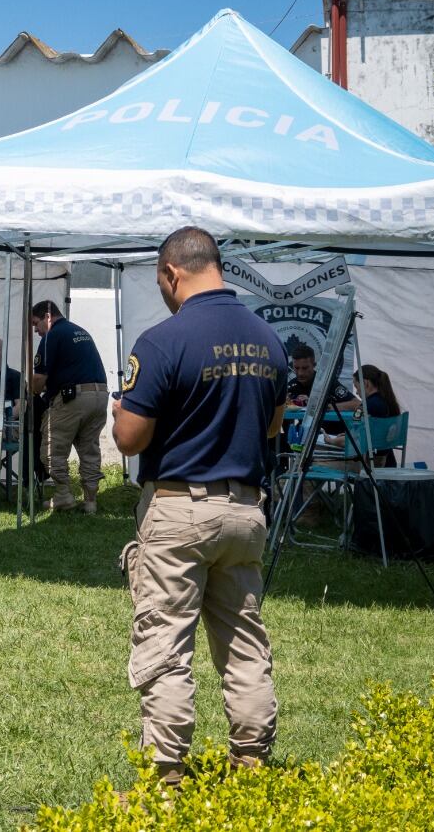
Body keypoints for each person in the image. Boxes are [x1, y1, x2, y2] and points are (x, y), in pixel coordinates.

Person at [111, 226, 288, 787]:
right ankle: (252, 764)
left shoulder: (162, 341)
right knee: (244, 642)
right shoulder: (269, 339)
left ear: (171, 273)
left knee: (165, 643)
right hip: (245, 511)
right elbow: (273, 426)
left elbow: (130, 439)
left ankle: (166, 779)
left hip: (179, 510)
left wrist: (124, 411)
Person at [30, 299, 109, 513]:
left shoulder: (51, 336)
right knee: (89, 449)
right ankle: (91, 501)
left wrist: (32, 393)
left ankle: (63, 495)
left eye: (36, 324)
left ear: (47, 317)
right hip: (100, 395)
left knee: (51, 449)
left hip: (72, 398)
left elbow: (39, 379)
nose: (36, 331)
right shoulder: (80, 331)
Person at [286, 343, 359, 433]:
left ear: (314, 365)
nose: (300, 373)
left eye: (305, 368)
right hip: (306, 435)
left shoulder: (327, 382)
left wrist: (325, 406)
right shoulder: (292, 385)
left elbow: (357, 404)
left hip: (333, 435)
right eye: (296, 368)